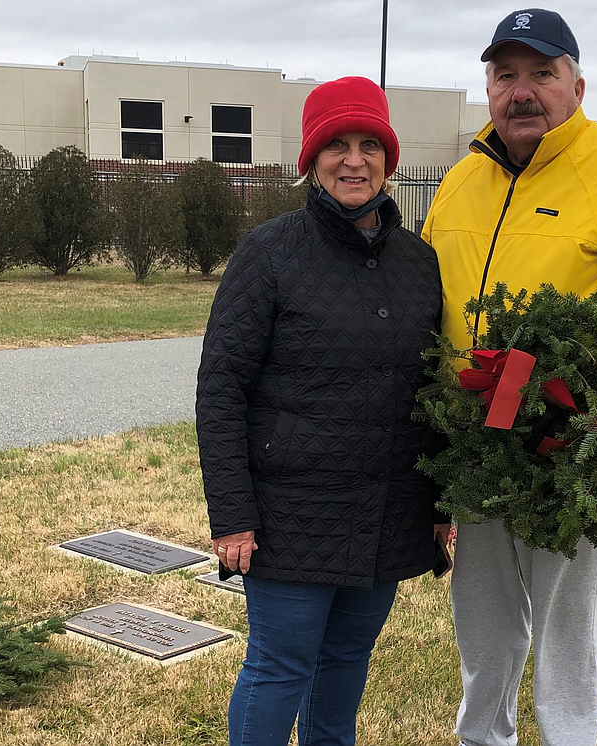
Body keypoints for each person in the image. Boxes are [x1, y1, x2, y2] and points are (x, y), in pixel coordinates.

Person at [421, 9, 597, 746]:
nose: (522, 91)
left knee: (568, 628)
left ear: (576, 86)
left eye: (541, 74)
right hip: (475, 446)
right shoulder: (460, 183)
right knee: (483, 622)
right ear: (487, 86)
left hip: (563, 447)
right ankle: (482, 737)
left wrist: (588, 391)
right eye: (505, 74)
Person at [196, 75, 450, 746]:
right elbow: (221, 388)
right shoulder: (269, 254)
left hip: (387, 511)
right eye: (337, 145)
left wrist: (440, 503)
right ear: (312, 158)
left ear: (389, 159)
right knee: (279, 667)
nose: (354, 160)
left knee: (344, 664)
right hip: (288, 519)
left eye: (370, 144)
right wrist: (233, 517)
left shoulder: (418, 263)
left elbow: (433, 390)